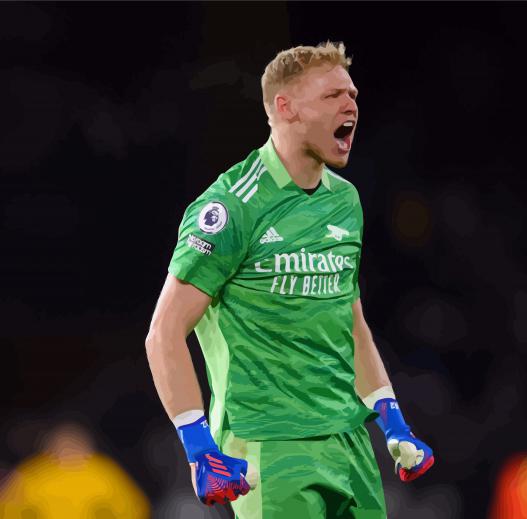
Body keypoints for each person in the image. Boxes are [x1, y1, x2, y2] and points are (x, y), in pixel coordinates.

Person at [145, 40, 434, 518]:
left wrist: (393, 421)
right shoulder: (231, 206)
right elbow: (164, 332)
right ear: (285, 108)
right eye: (332, 96)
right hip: (269, 446)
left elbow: (351, 322)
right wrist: (200, 450)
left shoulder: (345, 201)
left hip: (349, 441)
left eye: (353, 95)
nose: (350, 106)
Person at [0, 421, 150, 518]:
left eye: (73, 445)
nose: (68, 452)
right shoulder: (32, 476)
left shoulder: (102, 472)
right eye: (63, 446)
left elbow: (134, 508)